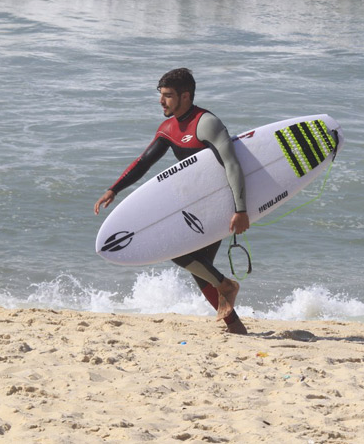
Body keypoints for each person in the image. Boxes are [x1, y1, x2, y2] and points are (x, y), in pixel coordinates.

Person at [94, 68, 249, 335]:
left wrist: (240, 209)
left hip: (219, 203)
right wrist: (114, 189)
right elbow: (144, 162)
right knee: (200, 267)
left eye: (168, 96)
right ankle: (235, 325)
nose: (161, 101)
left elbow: (232, 165)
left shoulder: (206, 123)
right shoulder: (169, 128)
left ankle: (227, 287)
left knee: (179, 253)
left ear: (185, 96)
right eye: (161, 95)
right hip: (196, 205)